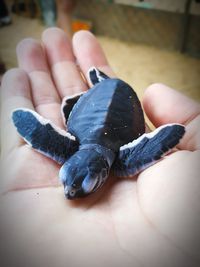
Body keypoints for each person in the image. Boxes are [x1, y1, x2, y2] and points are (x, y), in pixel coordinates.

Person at [0, 28, 199, 267]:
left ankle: (101, 83)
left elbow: (164, 137)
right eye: (67, 182)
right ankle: (99, 83)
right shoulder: (76, 151)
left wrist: (163, 139)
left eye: (85, 184)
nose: (68, 192)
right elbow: (170, 134)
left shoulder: (122, 161)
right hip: (103, 107)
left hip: (122, 99)